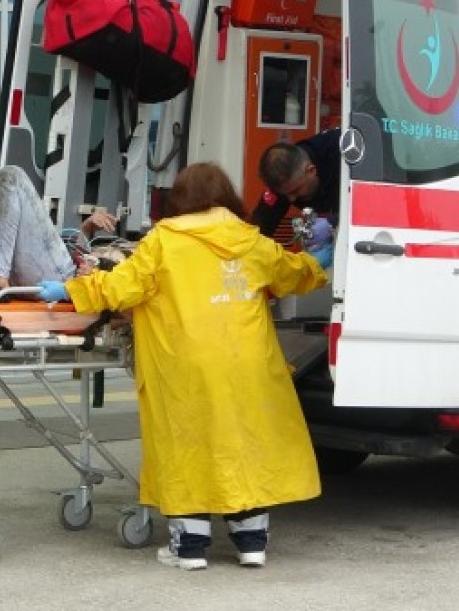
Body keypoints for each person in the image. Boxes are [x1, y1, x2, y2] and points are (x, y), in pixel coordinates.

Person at [37, 162, 329, 571]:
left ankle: (189, 547)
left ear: (181, 199)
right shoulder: (250, 240)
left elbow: (119, 288)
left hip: (184, 363)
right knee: (243, 443)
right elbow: (294, 273)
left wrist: (68, 289)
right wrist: (319, 258)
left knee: (186, 443)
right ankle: (251, 542)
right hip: (246, 363)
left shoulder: (164, 242)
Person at [0, 164, 117, 301]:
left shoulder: (134, 266)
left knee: (12, 176)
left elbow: (118, 289)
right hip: (64, 264)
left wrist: (94, 275)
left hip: (64, 279)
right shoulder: (137, 254)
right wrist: (87, 228)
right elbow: (83, 254)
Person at [250, 129, 341, 265]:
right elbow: (257, 230)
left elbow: (372, 205)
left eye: (296, 190)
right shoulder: (284, 180)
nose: (291, 199)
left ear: (311, 170)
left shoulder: (341, 155)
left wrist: (334, 222)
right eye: (285, 194)